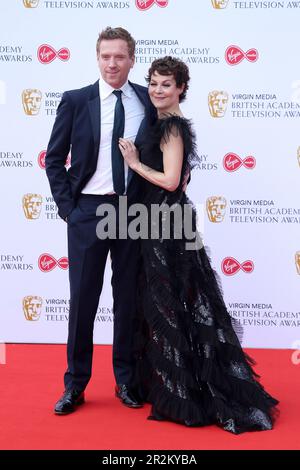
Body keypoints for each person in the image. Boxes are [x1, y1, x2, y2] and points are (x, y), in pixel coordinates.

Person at [118, 56, 279, 434]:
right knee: (167, 303)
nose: (158, 90)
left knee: (175, 303)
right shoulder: (156, 120)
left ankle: (190, 392)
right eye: (154, 83)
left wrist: (134, 162)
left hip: (166, 224)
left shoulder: (172, 126)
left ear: (181, 89)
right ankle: (174, 383)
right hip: (152, 221)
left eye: (166, 85)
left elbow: (172, 181)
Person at [46, 27, 156, 414]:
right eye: (106, 56)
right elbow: (54, 158)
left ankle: (126, 380)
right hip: (88, 212)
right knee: (83, 301)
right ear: (97, 58)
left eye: (120, 56)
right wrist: (68, 210)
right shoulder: (76, 101)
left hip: (133, 212)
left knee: (128, 300)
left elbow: (167, 149)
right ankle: (75, 385)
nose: (112, 63)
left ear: (131, 59)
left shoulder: (148, 99)